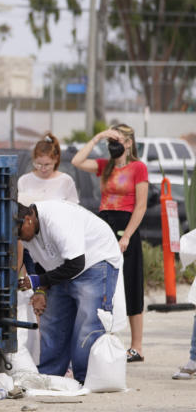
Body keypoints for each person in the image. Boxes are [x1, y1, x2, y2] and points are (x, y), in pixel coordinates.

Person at [15, 200, 122, 383]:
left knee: (87, 325)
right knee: (53, 324)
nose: (20, 239)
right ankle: (50, 378)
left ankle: (85, 379)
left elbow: (76, 264)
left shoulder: (56, 220)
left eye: (19, 233)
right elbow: (39, 263)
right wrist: (40, 290)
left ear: (28, 220)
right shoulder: (28, 234)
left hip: (94, 262)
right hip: (62, 267)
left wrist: (38, 281)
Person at [72, 124, 148, 362]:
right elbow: (77, 161)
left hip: (127, 224)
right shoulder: (105, 167)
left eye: (119, 140)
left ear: (129, 143)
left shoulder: (138, 168)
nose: (114, 144)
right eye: (111, 140)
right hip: (104, 223)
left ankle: (137, 346)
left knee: (131, 282)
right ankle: (103, 338)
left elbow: (141, 205)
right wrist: (98, 137)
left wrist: (126, 235)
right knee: (103, 280)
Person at [17, 132, 79, 276]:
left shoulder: (65, 181)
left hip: (57, 244)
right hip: (31, 245)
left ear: (56, 160)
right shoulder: (24, 180)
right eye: (38, 164)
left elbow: (73, 212)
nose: (43, 169)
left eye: (47, 165)